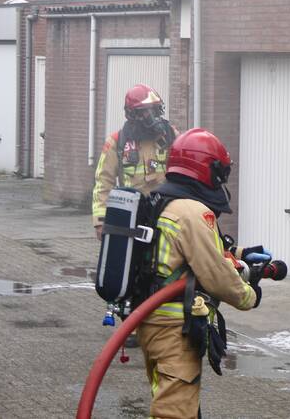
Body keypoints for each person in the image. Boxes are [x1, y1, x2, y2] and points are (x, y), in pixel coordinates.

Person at [138, 127, 261, 419]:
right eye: (218, 173)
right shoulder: (192, 212)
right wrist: (249, 296)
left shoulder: (161, 200)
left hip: (151, 322)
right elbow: (215, 274)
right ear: (206, 169)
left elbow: (188, 254)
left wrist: (240, 253)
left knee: (171, 401)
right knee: (175, 411)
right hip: (173, 329)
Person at [92, 84, 177, 240]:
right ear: (132, 114)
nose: (154, 117)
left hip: (167, 213)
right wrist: (100, 221)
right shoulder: (117, 142)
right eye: (146, 111)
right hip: (132, 216)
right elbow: (103, 183)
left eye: (156, 110)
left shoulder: (171, 136)